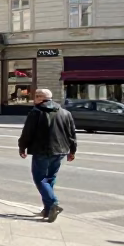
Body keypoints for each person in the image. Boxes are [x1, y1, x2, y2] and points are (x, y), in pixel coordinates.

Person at [18, 88, 77, 222]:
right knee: (49, 178)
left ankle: (53, 203)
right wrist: (72, 151)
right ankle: (48, 209)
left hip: (42, 150)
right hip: (61, 151)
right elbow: (72, 134)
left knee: (40, 179)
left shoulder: (36, 112)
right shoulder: (65, 113)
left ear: (40, 98)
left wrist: (22, 147)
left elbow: (27, 133)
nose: (34, 99)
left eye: (35, 97)